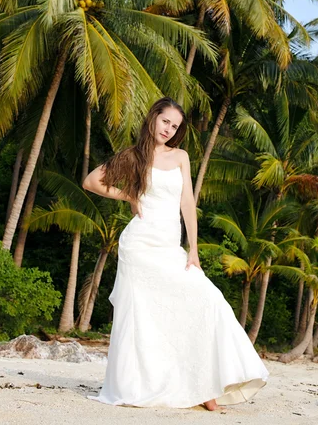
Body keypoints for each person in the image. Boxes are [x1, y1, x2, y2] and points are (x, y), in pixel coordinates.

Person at [83, 97, 269, 410]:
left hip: (170, 246)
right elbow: (91, 181)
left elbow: (186, 204)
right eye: (165, 121)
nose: (169, 129)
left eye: (175, 125)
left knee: (206, 300)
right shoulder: (133, 156)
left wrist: (193, 250)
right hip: (139, 245)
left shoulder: (181, 156)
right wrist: (128, 194)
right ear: (154, 117)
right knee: (146, 318)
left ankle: (206, 387)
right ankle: (176, 389)